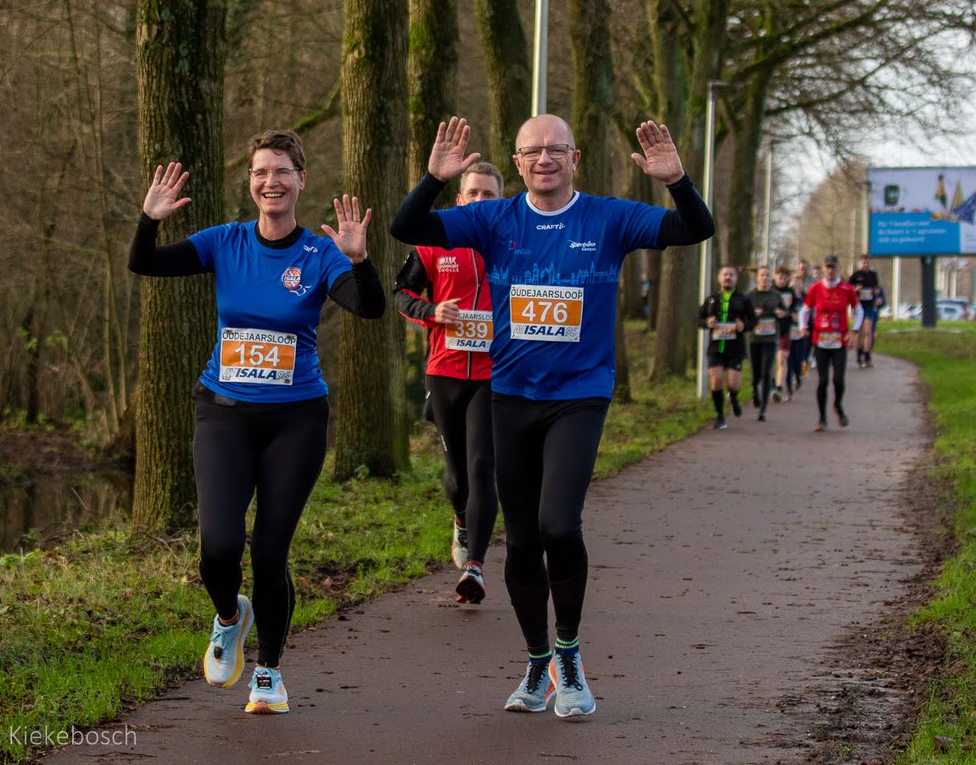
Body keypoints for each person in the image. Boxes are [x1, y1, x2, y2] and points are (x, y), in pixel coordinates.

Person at [391, 115, 713, 718]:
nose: (544, 158)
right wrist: (434, 179)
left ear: (575, 157)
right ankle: (537, 662)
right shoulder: (493, 219)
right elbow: (406, 226)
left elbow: (695, 228)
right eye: (532, 150)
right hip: (510, 393)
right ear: (517, 162)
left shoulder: (609, 217)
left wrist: (677, 181)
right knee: (521, 540)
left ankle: (568, 653)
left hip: (579, 395)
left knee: (559, 525)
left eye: (555, 149)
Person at [129, 131, 385, 715]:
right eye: (260, 172)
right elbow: (144, 263)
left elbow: (367, 307)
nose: (270, 181)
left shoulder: (319, 255)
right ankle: (229, 617)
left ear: (301, 180)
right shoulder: (225, 242)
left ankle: (267, 670)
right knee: (218, 547)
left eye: (282, 171)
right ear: (250, 182)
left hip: (296, 419)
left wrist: (359, 259)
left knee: (270, 549)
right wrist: (149, 218)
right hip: (224, 413)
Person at [394, 162, 504, 604]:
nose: (480, 201)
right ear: (460, 200)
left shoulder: (514, 244)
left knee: (482, 468)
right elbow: (402, 292)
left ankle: (475, 567)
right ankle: (460, 520)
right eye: (473, 193)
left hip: (495, 375)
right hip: (445, 371)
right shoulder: (433, 242)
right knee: (458, 474)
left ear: (502, 200)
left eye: (489, 195)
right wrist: (432, 312)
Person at [798, 254, 862, 432]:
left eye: (833, 267)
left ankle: (838, 406)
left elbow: (859, 310)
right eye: (827, 267)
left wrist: (854, 331)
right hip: (821, 340)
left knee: (838, 380)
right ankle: (822, 418)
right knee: (823, 380)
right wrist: (803, 326)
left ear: (838, 269)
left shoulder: (846, 288)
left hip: (839, 340)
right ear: (823, 269)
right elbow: (805, 309)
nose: (830, 271)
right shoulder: (816, 288)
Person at [700, 265, 756, 429]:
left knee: (733, 383)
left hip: (735, 348)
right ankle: (720, 416)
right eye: (725, 274)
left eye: (731, 275)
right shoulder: (711, 299)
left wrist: (743, 326)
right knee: (716, 380)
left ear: (736, 279)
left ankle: (734, 396)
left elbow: (753, 322)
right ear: (719, 278)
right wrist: (707, 322)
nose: (728, 277)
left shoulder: (744, 299)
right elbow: (699, 319)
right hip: (716, 347)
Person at [746, 266, 784, 421]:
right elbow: (743, 314)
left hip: (770, 338)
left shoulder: (776, 295)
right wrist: (752, 314)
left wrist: (781, 313)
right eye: (762, 275)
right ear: (757, 278)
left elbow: (785, 310)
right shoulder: (750, 296)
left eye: (768, 276)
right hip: (755, 339)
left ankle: (763, 410)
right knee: (756, 372)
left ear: (771, 278)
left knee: (767, 370)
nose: (765, 278)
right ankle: (755, 390)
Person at [848, 255, 884, 368]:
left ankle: (867, 356)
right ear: (860, 263)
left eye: (867, 262)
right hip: (859, 305)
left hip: (869, 305)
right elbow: (848, 289)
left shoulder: (873, 275)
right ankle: (859, 356)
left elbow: (877, 289)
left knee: (867, 331)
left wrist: (877, 297)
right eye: (863, 262)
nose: (865, 264)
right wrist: (855, 289)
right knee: (859, 332)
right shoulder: (855, 275)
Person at [771, 266, 799, 402]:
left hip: (785, 329)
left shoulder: (790, 292)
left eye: (784, 278)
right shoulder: (770, 290)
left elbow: (795, 308)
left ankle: (779, 387)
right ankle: (771, 384)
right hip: (770, 330)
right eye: (779, 277)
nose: (781, 280)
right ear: (775, 277)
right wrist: (773, 310)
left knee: (782, 359)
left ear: (788, 279)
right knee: (771, 361)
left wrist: (792, 314)